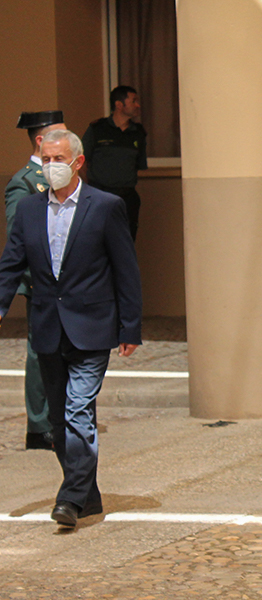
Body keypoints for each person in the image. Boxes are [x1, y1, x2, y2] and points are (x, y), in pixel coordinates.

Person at [0, 129, 142, 527]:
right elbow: (11, 263)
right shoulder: (29, 209)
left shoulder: (106, 206)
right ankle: (89, 495)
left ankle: (69, 499)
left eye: (57, 159)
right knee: (59, 421)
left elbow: (125, 270)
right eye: (44, 159)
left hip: (93, 326)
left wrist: (129, 326)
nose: (50, 167)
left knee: (79, 412)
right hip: (47, 325)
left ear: (77, 162)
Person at [6, 110, 66, 450]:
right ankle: (39, 425)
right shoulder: (24, 183)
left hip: (65, 283)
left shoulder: (60, 179)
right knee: (38, 352)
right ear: (41, 141)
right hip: (42, 285)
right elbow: (20, 241)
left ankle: (56, 418)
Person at [82, 85, 146, 240]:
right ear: (119, 105)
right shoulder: (98, 129)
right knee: (98, 241)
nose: (138, 105)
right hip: (100, 195)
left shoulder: (138, 133)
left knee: (126, 241)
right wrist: (89, 187)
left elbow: (138, 165)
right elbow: (81, 160)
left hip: (126, 197)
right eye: (133, 101)